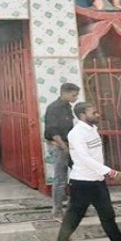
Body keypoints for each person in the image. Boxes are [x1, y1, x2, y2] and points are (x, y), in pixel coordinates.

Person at [55, 102, 121, 241]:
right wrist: (110, 172)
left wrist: (103, 173)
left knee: (108, 218)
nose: (97, 115)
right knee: (74, 216)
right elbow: (84, 158)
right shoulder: (76, 133)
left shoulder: (93, 129)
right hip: (82, 183)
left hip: (97, 182)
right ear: (83, 115)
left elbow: (95, 157)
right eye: (94, 112)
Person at [43, 82, 80, 219]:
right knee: (60, 179)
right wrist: (63, 146)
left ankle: (74, 207)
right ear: (64, 93)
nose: (75, 98)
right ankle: (57, 210)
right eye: (73, 95)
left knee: (79, 175)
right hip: (59, 146)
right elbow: (52, 130)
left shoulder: (67, 107)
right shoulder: (54, 108)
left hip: (68, 145)